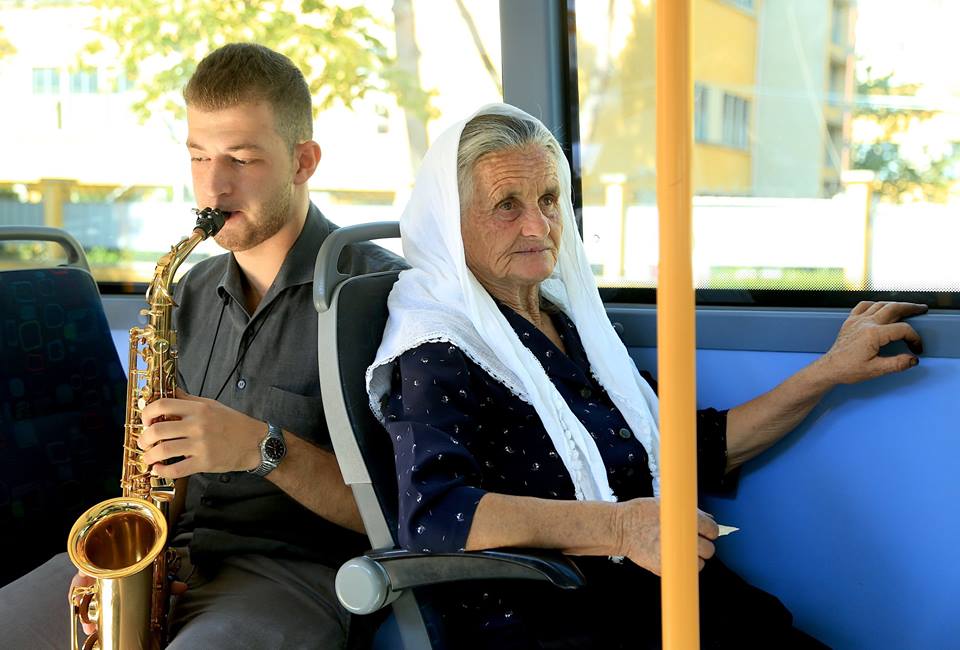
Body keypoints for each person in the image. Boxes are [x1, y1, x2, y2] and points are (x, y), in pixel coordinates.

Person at [366, 103, 927, 649]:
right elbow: (437, 516)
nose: (538, 224)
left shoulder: (567, 318)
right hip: (557, 617)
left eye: (548, 200)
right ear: (450, 221)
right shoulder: (435, 348)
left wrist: (829, 371)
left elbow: (686, 449)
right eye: (506, 205)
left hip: (653, 592)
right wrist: (621, 529)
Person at [0, 43, 404, 649]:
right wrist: (124, 570)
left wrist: (263, 449)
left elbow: (407, 511)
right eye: (199, 156)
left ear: (303, 161)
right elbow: (161, 472)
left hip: (296, 575)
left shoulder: (382, 296)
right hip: (174, 558)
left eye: (241, 159)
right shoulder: (188, 288)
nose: (213, 187)